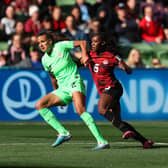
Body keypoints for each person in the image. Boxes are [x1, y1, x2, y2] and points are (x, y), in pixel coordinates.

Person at [35, 30, 109, 150]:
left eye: (43, 42)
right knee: (39, 105)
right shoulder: (44, 60)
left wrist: (84, 55)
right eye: (39, 43)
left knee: (80, 110)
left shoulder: (60, 46)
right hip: (62, 89)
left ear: (50, 41)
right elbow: (53, 77)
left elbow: (82, 43)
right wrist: (57, 93)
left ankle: (102, 141)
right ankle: (63, 133)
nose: (41, 45)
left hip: (74, 81)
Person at [82, 33, 153, 149]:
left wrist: (124, 67)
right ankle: (145, 141)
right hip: (106, 90)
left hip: (113, 88)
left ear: (102, 43)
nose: (93, 44)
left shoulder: (111, 56)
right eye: (92, 42)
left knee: (101, 109)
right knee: (116, 121)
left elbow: (129, 70)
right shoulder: (90, 55)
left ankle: (125, 130)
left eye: (95, 42)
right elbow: (81, 58)